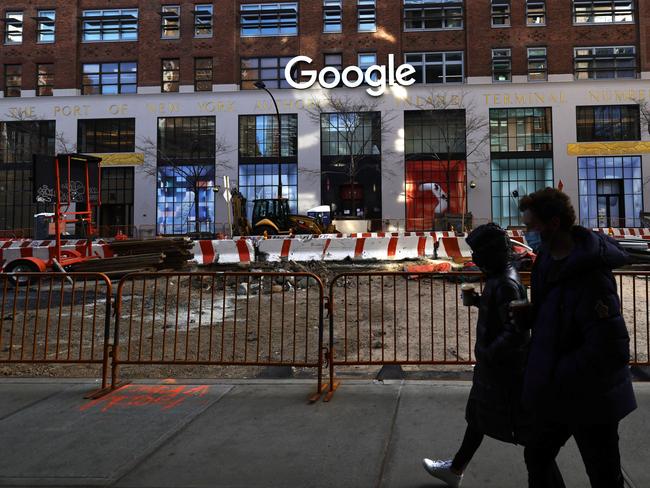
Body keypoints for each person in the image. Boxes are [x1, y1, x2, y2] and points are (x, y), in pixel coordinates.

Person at [519, 188, 637, 488]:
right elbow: (555, 311)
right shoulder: (545, 260)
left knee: (603, 475)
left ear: (554, 223)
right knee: (537, 456)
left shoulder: (593, 277)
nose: (526, 233)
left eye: (531, 226)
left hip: (592, 397)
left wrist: (557, 371)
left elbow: (611, 349)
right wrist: (532, 316)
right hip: (557, 391)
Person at [422, 223, 530, 487]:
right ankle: (456, 468)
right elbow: (506, 315)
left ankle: (457, 468)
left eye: (478, 253)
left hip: (502, 367)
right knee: (479, 416)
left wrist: (489, 352)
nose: (474, 259)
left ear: (492, 253)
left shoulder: (505, 282)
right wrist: (480, 301)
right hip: (496, 365)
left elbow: (515, 329)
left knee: (522, 429)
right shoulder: (500, 276)